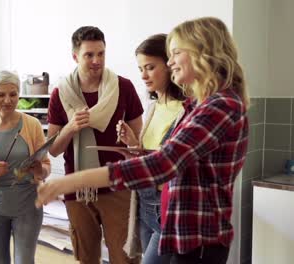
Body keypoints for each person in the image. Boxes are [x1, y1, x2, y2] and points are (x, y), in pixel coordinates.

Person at [37, 17, 249, 264]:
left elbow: (164, 162)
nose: (170, 63)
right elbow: (171, 157)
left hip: (197, 234)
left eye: (175, 53)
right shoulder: (201, 105)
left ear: (202, 54)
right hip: (182, 227)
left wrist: (68, 182)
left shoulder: (219, 107)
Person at [47, 26, 143, 263]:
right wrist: (70, 127)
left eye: (101, 54)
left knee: (124, 257)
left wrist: (130, 138)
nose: (96, 60)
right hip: (78, 188)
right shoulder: (60, 94)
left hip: (117, 185)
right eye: (89, 55)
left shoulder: (123, 87)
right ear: (75, 56)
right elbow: (54, 149)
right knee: (86, 255)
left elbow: (139, 143)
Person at [119, 34, 186, 264]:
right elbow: (148, 154)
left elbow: (176, 163)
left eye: (150, 67)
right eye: (140, 68)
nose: (143, 75)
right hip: (144, 203)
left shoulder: (185, 111)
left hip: (164, 206)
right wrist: (132, 144)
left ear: (169, 65)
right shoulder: (153, 107)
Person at [0, 70, 51, 264]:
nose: (7, 100)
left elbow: (46, 167)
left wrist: (39, 170)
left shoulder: (32, 124)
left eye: (13, 94)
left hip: (27, 204)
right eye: (1, 94)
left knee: (25, 261)